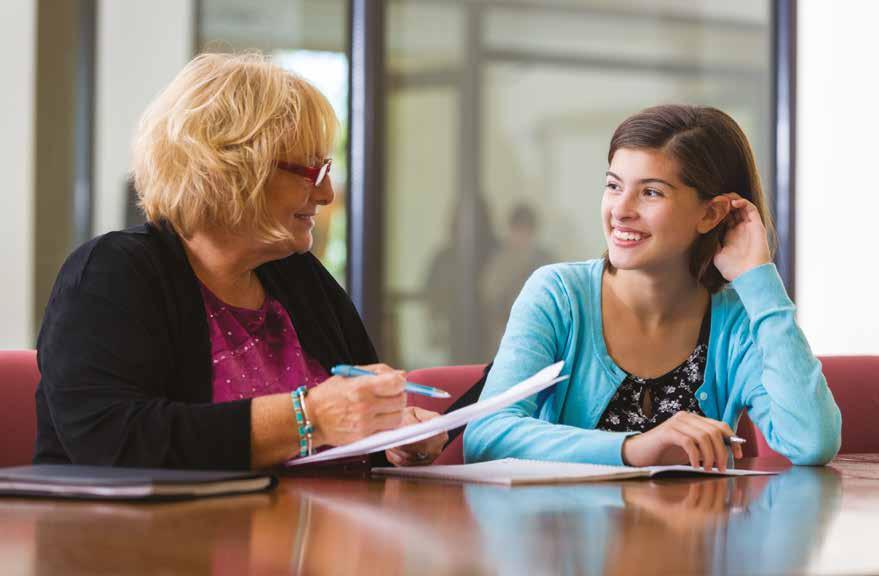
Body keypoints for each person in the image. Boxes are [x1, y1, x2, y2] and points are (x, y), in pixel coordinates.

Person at [34, 53, 446, 470]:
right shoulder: (112, 273)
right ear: (230, 169)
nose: (326, 196)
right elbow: (114, 443)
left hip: (310, 530)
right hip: (149, 534)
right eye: (310, 171)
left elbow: (350, 431)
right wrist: (308, 417)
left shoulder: (299, 276)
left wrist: (395, 437)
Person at [464, 104, 841, 470]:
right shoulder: (558, 295)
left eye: (651, 192)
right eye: (614, 186)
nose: (620, 209)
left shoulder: (738, 320)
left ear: (710, 214)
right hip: (572, 534)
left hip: (705, 534)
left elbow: (811, 441)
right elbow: (486, 436)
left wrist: (759, 279)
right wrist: (635, 449)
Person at [480, 202, 554, 357]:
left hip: (539, 334)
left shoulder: (544, 260)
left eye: (526, 231)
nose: (522, 236)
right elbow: (490, 296)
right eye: (518, 230)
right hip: (504, 334)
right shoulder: (500, 261)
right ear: (511, 230)